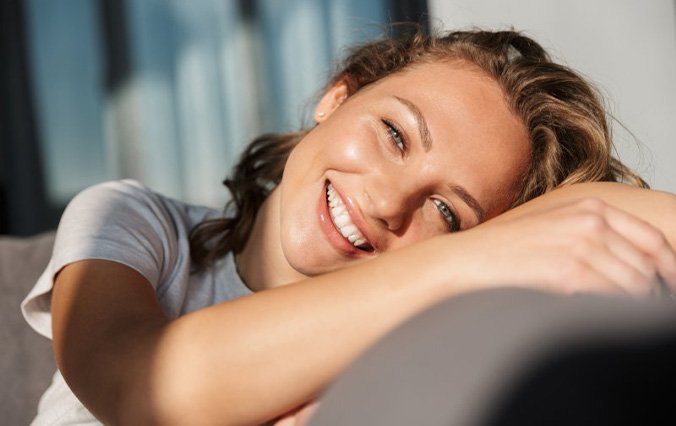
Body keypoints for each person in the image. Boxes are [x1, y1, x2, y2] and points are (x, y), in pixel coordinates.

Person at [21, 26, 676, 425]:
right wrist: (474, 255)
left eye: (447, 211)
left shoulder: (403, 337)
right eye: (393, 134)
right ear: (337, 96)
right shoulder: (140, 222)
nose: (391, 202)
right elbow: (144, 386)